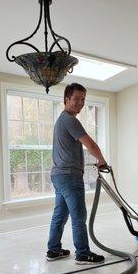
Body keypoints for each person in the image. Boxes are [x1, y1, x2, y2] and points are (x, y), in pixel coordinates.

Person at [47, 83, 107, 264]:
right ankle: (82, 253)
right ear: (67, 99)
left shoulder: (61, 120)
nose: (80, 103)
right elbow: (91, 145)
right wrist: (102, 160)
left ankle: (54, 250)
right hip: (69, 176)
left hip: (59, 175)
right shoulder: (70, 120)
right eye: (77, 99)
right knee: (79, 215)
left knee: (60, 215)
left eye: (83, 99)